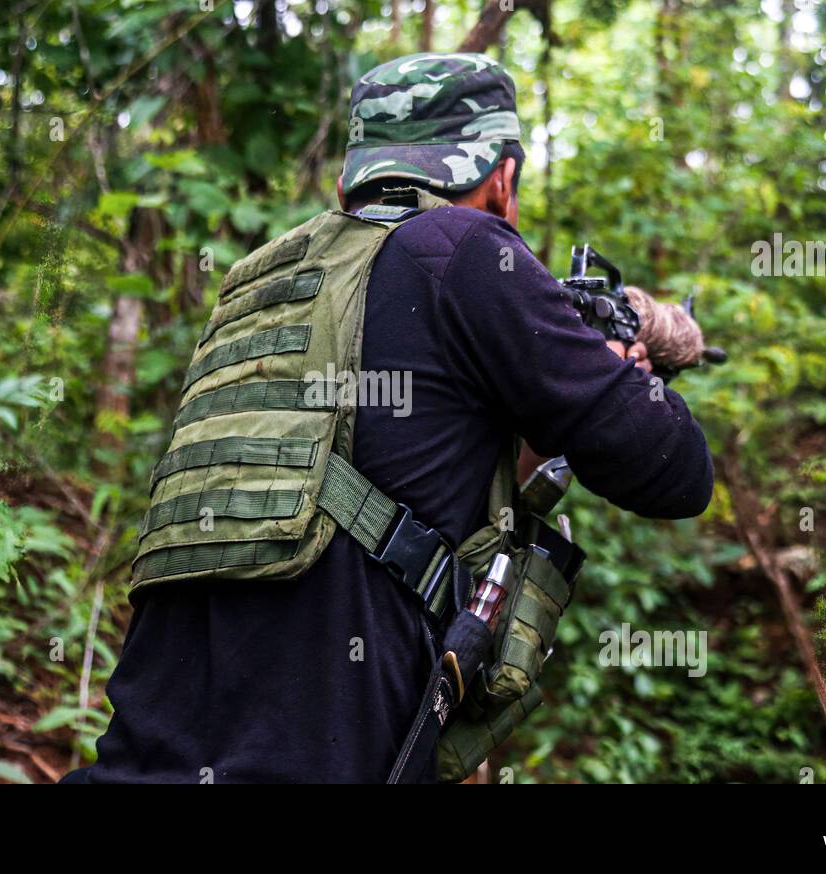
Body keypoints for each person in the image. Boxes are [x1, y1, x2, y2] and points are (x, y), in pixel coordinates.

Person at [66, 52, 712, 784]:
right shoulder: (466, 249)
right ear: (502, 178)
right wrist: (625, 368)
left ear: (349, 178)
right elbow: (678, 473)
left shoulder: (257, 280)